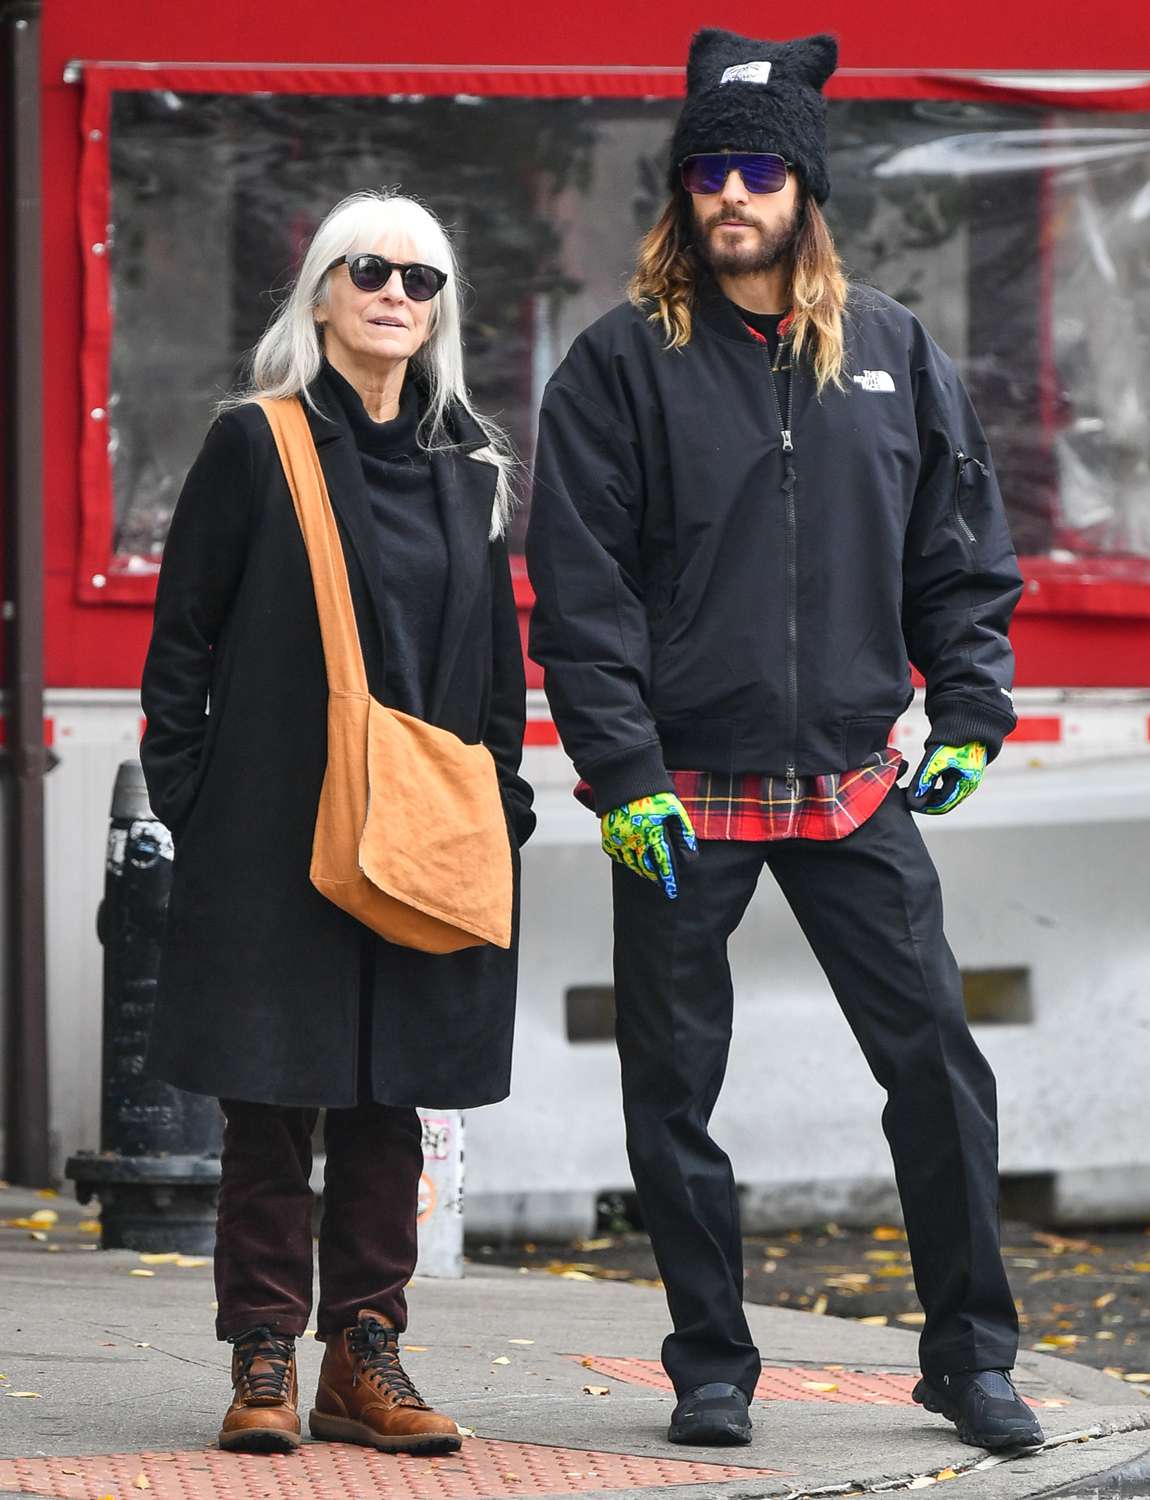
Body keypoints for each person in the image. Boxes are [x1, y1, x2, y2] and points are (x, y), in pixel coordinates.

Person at [527, 30, 1043, 1455]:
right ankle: (709, 1365)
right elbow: (579, 593)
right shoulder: (620, 366)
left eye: (756, 169)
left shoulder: (889, 350)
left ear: (804, 190)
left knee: (937, 1066)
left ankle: (967, 1357)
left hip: (849, 786)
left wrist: (972, 710)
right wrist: (621, 776)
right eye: (706, 171)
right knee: (674, 1089)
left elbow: (959, 554)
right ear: (682, 194)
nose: (729, 193)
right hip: (680, 795)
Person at [141, 190, 534, 1456]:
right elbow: (182, 640)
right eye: (369, 270)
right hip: (273, 824)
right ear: (319, 294)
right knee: (271, 1090)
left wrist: (501, 805)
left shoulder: (468, 461)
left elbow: (494, 665)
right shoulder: (255, 444)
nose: (395, 295)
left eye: (422, 280)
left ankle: (363, 1353)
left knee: (395, 1092)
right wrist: (196, 799)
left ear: (439, 313)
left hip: (427, 823)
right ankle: (262, 1349)